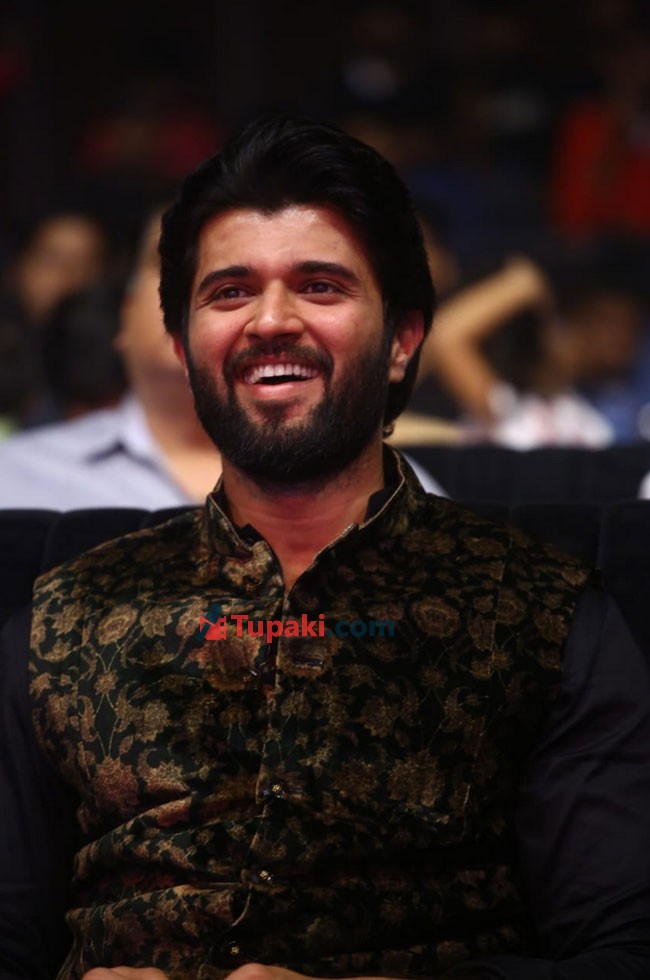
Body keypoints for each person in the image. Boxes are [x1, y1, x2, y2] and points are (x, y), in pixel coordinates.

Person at [3, 116, 650, 980]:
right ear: (185, 347)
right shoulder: (61, 621)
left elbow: (626, 954)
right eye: (229, 292)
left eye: (320, 286)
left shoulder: (546, 617)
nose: (271, 320)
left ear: (404, 340)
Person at [0, 211, 223, 508]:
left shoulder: (293, 479)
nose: (197, 291)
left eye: (235, 282)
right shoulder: (14, 477)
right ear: (126, 313)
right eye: (172, 267)